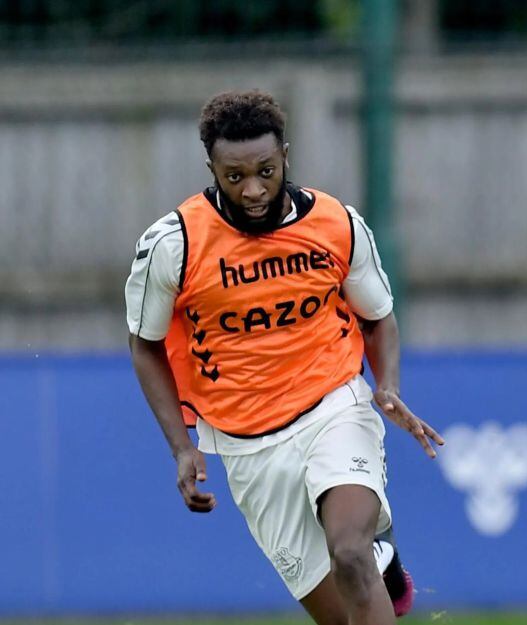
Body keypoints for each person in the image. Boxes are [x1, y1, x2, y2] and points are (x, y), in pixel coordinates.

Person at [126, 90, 443, 625]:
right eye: (234, 176)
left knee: (348, 553)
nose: (252, 189)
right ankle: (379, 559)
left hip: (333, 407)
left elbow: (378, 317)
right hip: (247, 446)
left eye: (266, 171)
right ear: (211, 169)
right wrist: (182, 447)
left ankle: (368, 549)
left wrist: (386, 386)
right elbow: (145, 344)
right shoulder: (173, 245)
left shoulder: (336, 225)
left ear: (286, 158)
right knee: (340, 615)